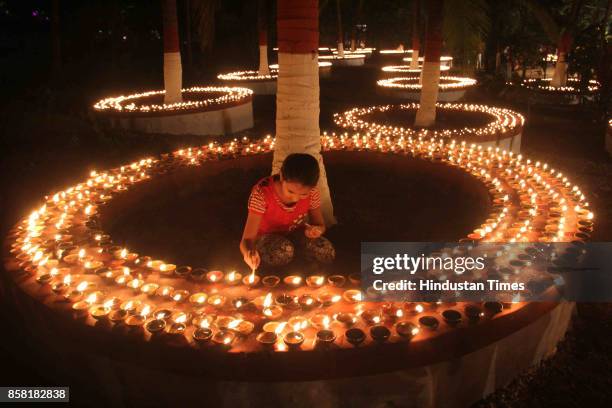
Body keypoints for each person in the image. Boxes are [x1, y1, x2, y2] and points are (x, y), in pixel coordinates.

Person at [240, 153, 335, 271]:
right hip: (267, 239)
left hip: (295, 234)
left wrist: (316, 230)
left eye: (303, 194)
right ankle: (280, 270)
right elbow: (246, 240)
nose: (295, 199)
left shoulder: (313, 193)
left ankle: (301, 266)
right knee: (283, 251)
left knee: (326, 251)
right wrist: (248, 253)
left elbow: (319, 224)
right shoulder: (262, 194)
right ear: (281, 176)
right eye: (290, 191)